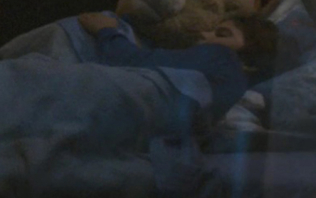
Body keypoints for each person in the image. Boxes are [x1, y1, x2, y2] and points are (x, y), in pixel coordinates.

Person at [77, 12, 278, 121]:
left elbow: (133, 62)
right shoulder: (232, 87)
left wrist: (106, 31)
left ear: (250, 59)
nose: (205, 35)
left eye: (222, 34)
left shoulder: (223, 57)